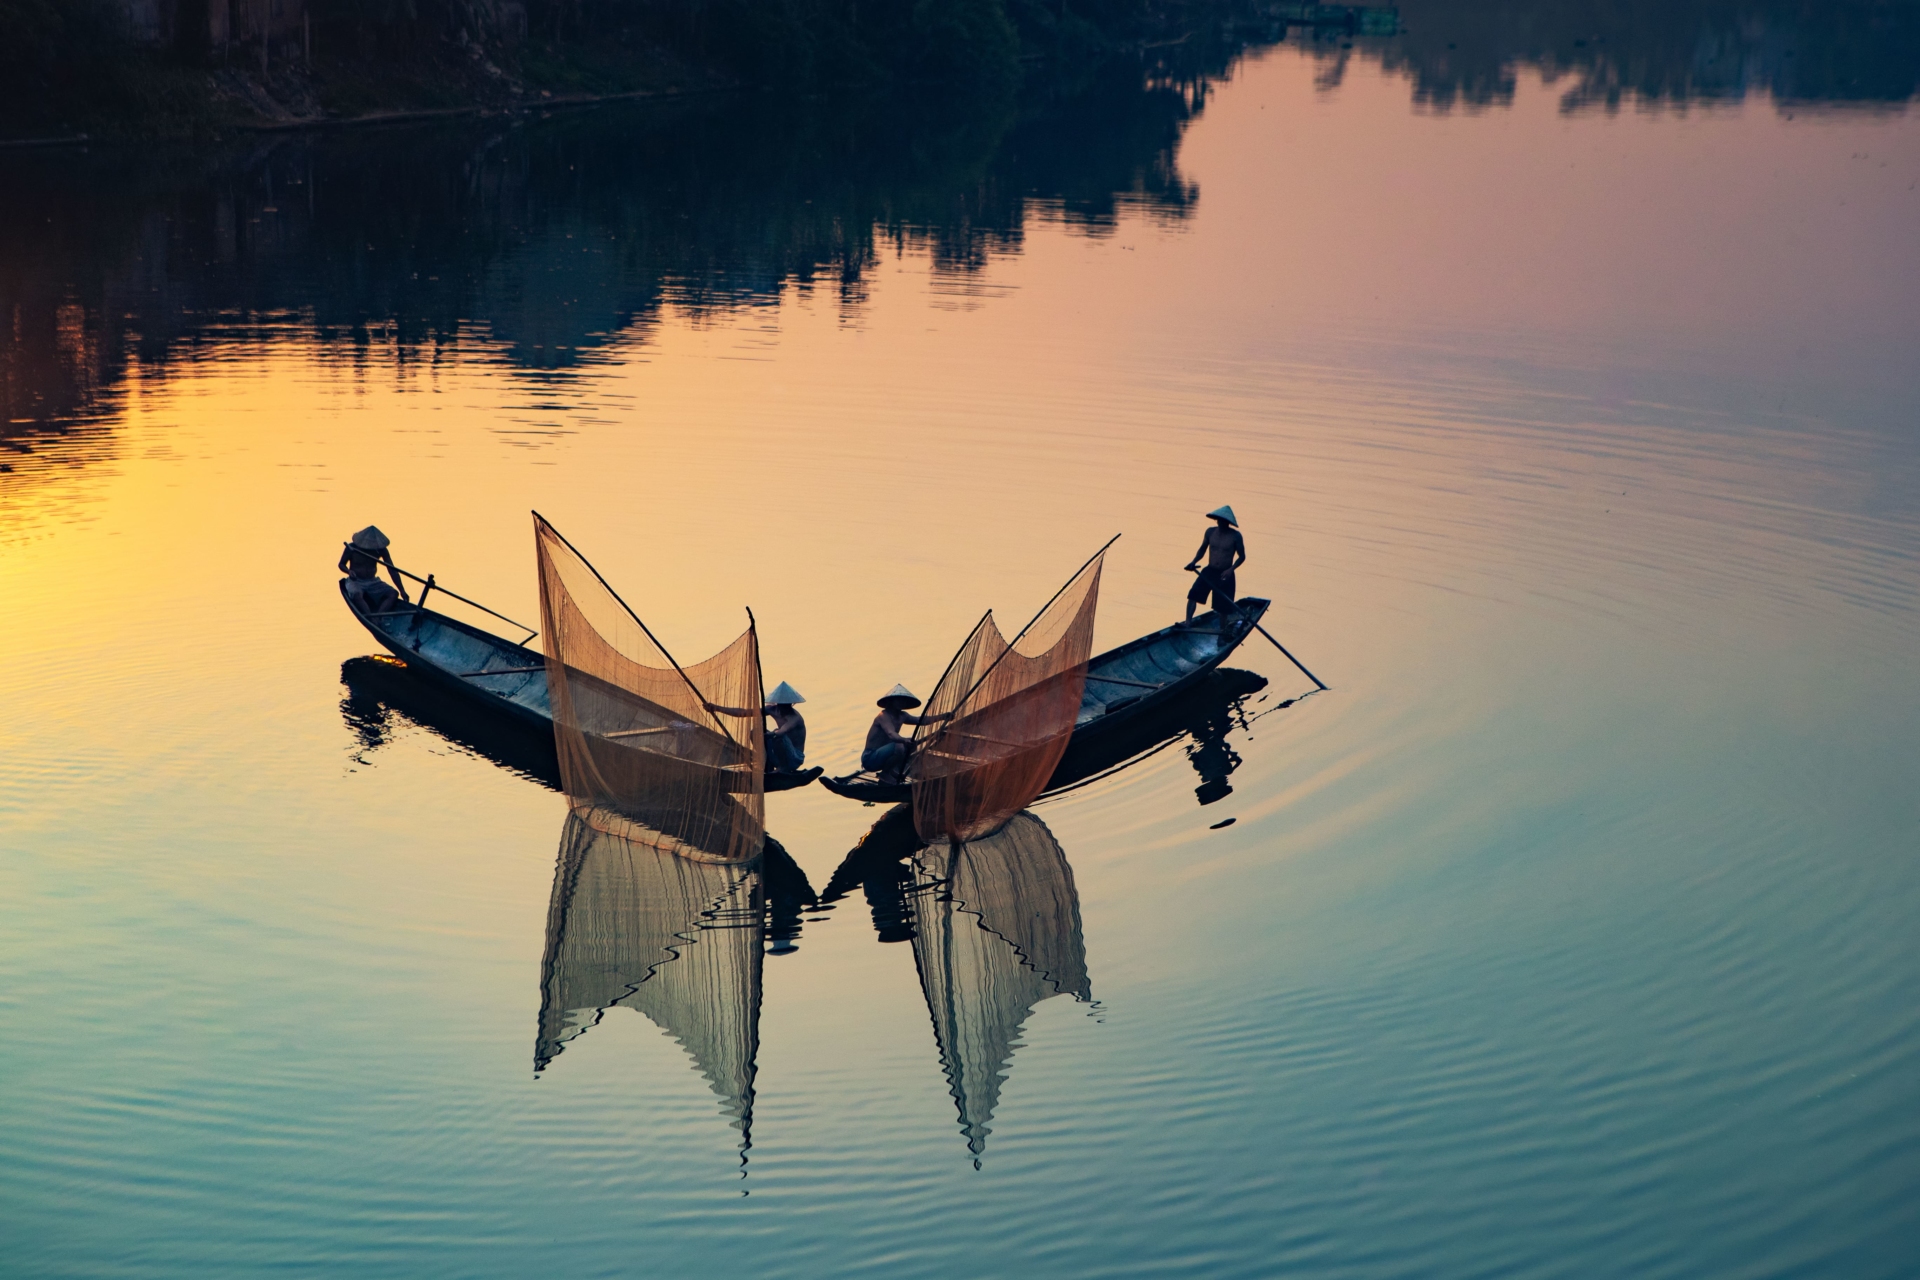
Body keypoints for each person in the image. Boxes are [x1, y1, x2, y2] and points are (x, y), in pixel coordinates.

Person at [707, 682, 809, 774]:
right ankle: (768, 765)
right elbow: (744, 712)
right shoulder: (772, 709)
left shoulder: (795, 718)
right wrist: (716, 708)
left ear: (791, 704)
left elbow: (782, 731)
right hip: (778, 754)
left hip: (794, 758)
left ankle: (783, 769)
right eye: (781, 705)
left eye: (786, 705)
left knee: (778, 737)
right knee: (755, 733)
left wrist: (771, 734)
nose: (784, 708)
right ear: (777, 703)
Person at [861, 684, 951, 785]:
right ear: (891, 701)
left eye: (903, 700)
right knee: (899, 745)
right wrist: (904, 740)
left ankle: (890, 770)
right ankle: (885, 774)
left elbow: (920, 720)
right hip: (870, 758)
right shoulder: (883, 716)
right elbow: (891, 734)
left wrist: (942, 717)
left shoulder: (902, 715)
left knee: (910, 745)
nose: (901, 702)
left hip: (883, 755)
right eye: (898, 700)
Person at [1182, 504, 1245, 625]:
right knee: (1193, 594)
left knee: (1223, 606)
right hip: (1210, 571)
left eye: (1224, 521)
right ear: (1217, 520)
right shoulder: (1210, 532)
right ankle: (1188, 622)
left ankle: (1222, 630)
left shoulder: (1235, 536)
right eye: (1219, 520)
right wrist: (1194, 562)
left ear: (1228, 522)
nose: (1221, 523)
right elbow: (1202, 549)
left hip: (1225, 574)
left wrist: (1231, 569)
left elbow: (1242, 557)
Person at [339, 525, 409, 613]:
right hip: (356, 581)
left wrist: (402, 590)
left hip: (372, 581)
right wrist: (348, 571)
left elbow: (392, 570)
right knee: (357, 595)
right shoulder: (351, 548)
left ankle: (379, 615)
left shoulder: (380, 550)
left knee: (393, 593)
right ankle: (370, 617)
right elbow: (341, 564)